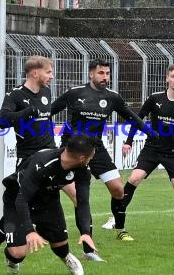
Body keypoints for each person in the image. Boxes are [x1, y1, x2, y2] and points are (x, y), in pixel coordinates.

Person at [0, 56, 104, 262]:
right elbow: (2, 122)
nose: (52, 76)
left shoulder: (47, 92)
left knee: (78, 197)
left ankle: (88, 247)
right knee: (21, 200)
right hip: (28, 158)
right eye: (48, 72)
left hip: (52, 155)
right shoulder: (15, 95)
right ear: (34, 73)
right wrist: (29, 112)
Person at [51, 59, 150, 242]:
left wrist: (151, 132)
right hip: (70, 148)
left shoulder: (112, 97)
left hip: (96, 148)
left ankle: (120, 228)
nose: (105, 77)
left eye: (107, 73)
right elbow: (49, 111)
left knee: (118, 190)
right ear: (91, 74)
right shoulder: (75, 93)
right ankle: (78, 233)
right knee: (67, 191)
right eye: (101, 73)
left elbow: (131, 117)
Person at [100, 64, 174, 238]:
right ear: (167, 79)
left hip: (173, 152)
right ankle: (115, 217)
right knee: (134, 178)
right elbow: (136, 119)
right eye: (173, 76)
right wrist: (128, 142)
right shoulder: (155, 98)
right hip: (152, 149)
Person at [3, 135, 97, 275]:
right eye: (91, 156)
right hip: (17, 197)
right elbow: (21, 200)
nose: (91, 159)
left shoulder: (83, 169)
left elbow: (82, 202)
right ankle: (11, 258)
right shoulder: (43, 163)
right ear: (82, 157)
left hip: (47, 199)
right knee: (17, 253)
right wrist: (30, 231)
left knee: (60, 244)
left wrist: (85, 232)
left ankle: (67, 257)